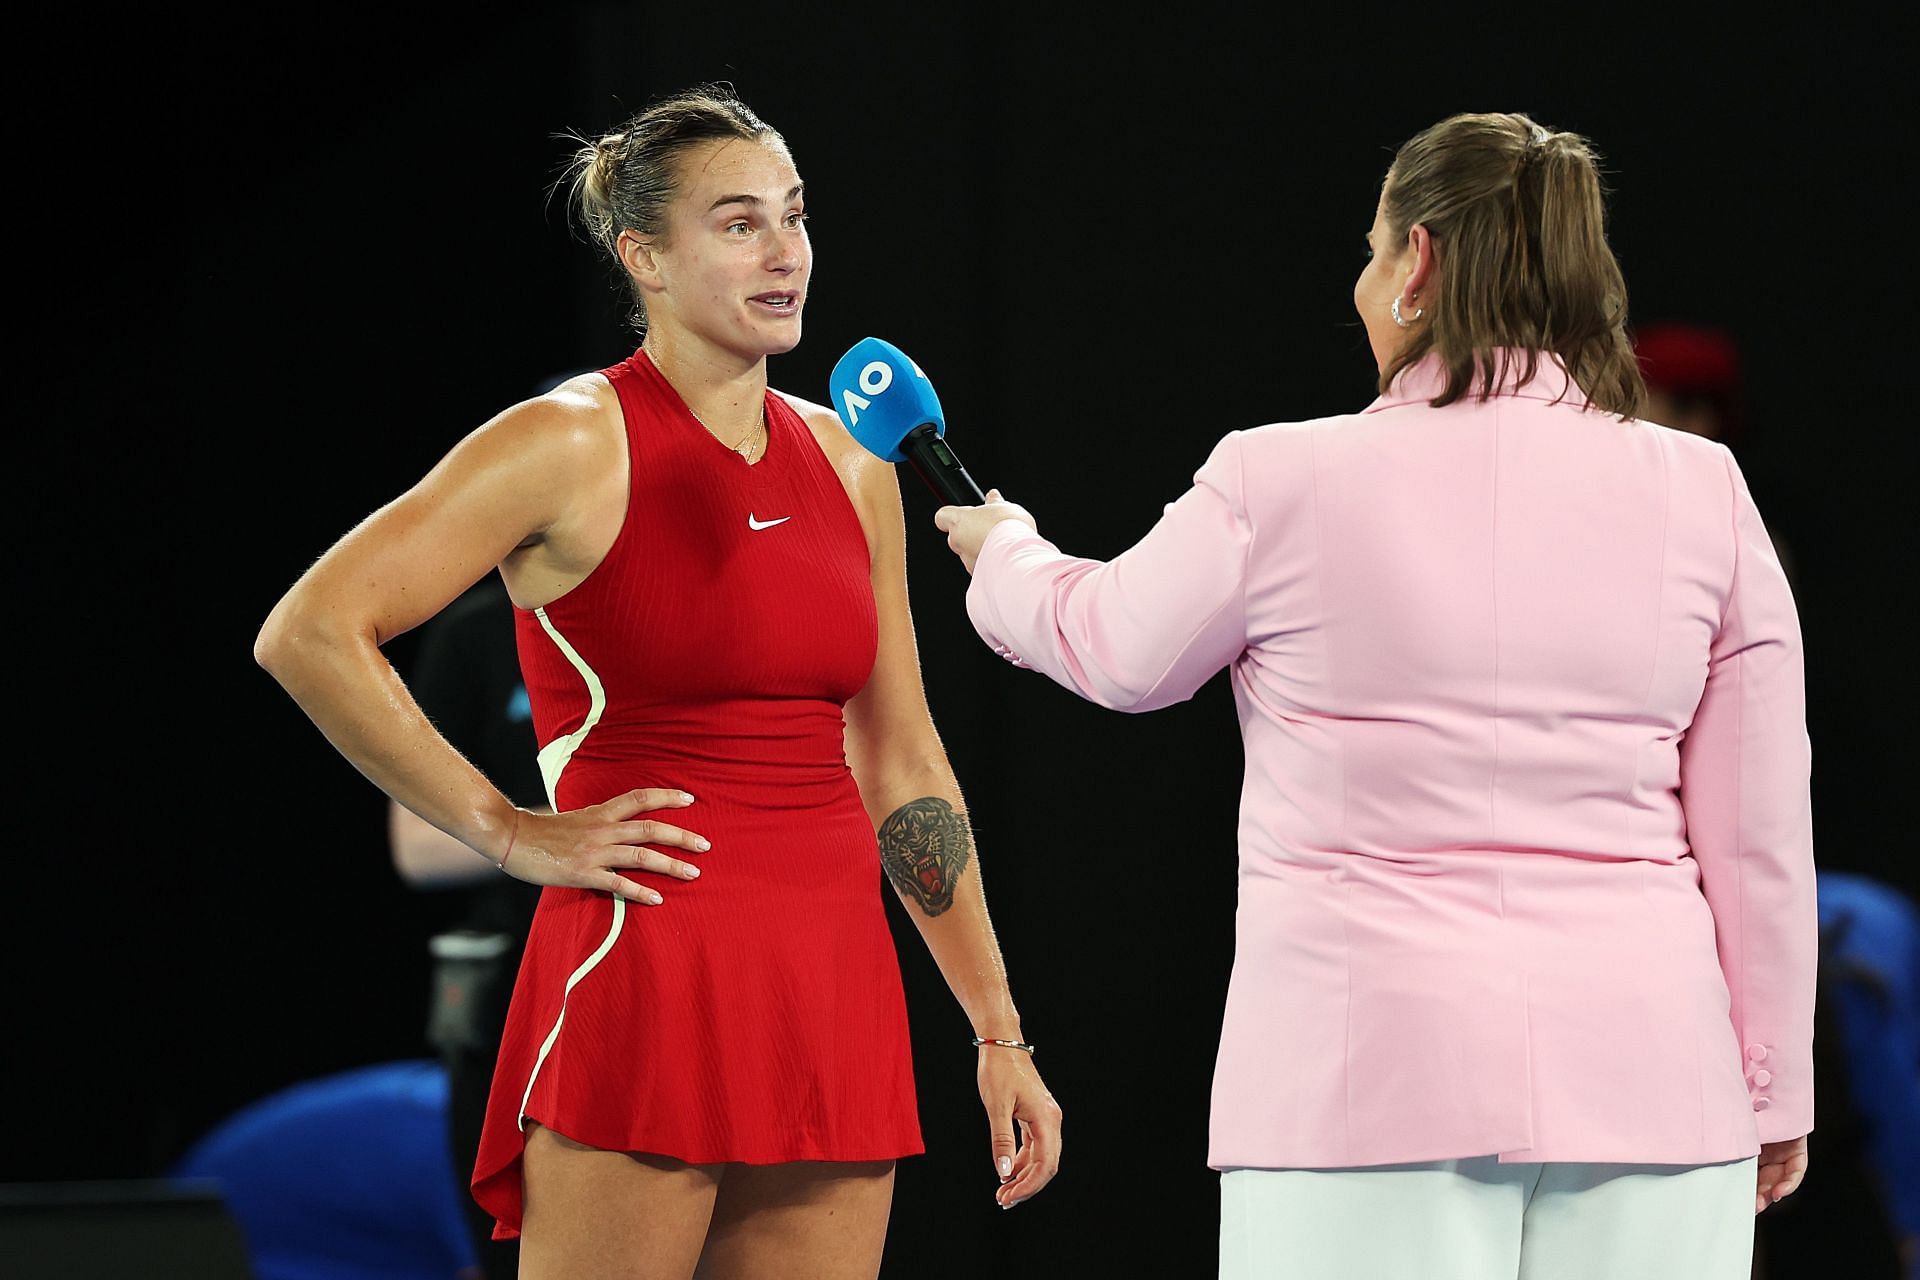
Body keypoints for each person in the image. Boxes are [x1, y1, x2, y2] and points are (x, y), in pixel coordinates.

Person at [935, 112, 1812, 1280]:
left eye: (1368, 250)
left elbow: (1111, 645)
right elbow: (1759, 839)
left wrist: (1005, 551)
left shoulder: (1280, 475)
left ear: (1420, 264)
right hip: (1658, 1086)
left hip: (1363, 1091)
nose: (1361, 283)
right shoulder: (1707, 491)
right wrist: (1770, 1083)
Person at [255, 85, 1060, 1280]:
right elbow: (311, 629)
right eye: (740, 224)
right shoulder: (567, 439)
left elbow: (903, 760)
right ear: (643, 255)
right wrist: (507, 827)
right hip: (650, 965)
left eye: (794, 216)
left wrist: (998, 1026)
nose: (786, 252)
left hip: (830, 976)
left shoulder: (855, 459)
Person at [388, 576, 546, 1280]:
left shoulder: (682, 604)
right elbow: (417, 848)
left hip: (682, 967)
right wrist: (553, 836)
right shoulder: (475, 633)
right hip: (517, 997)